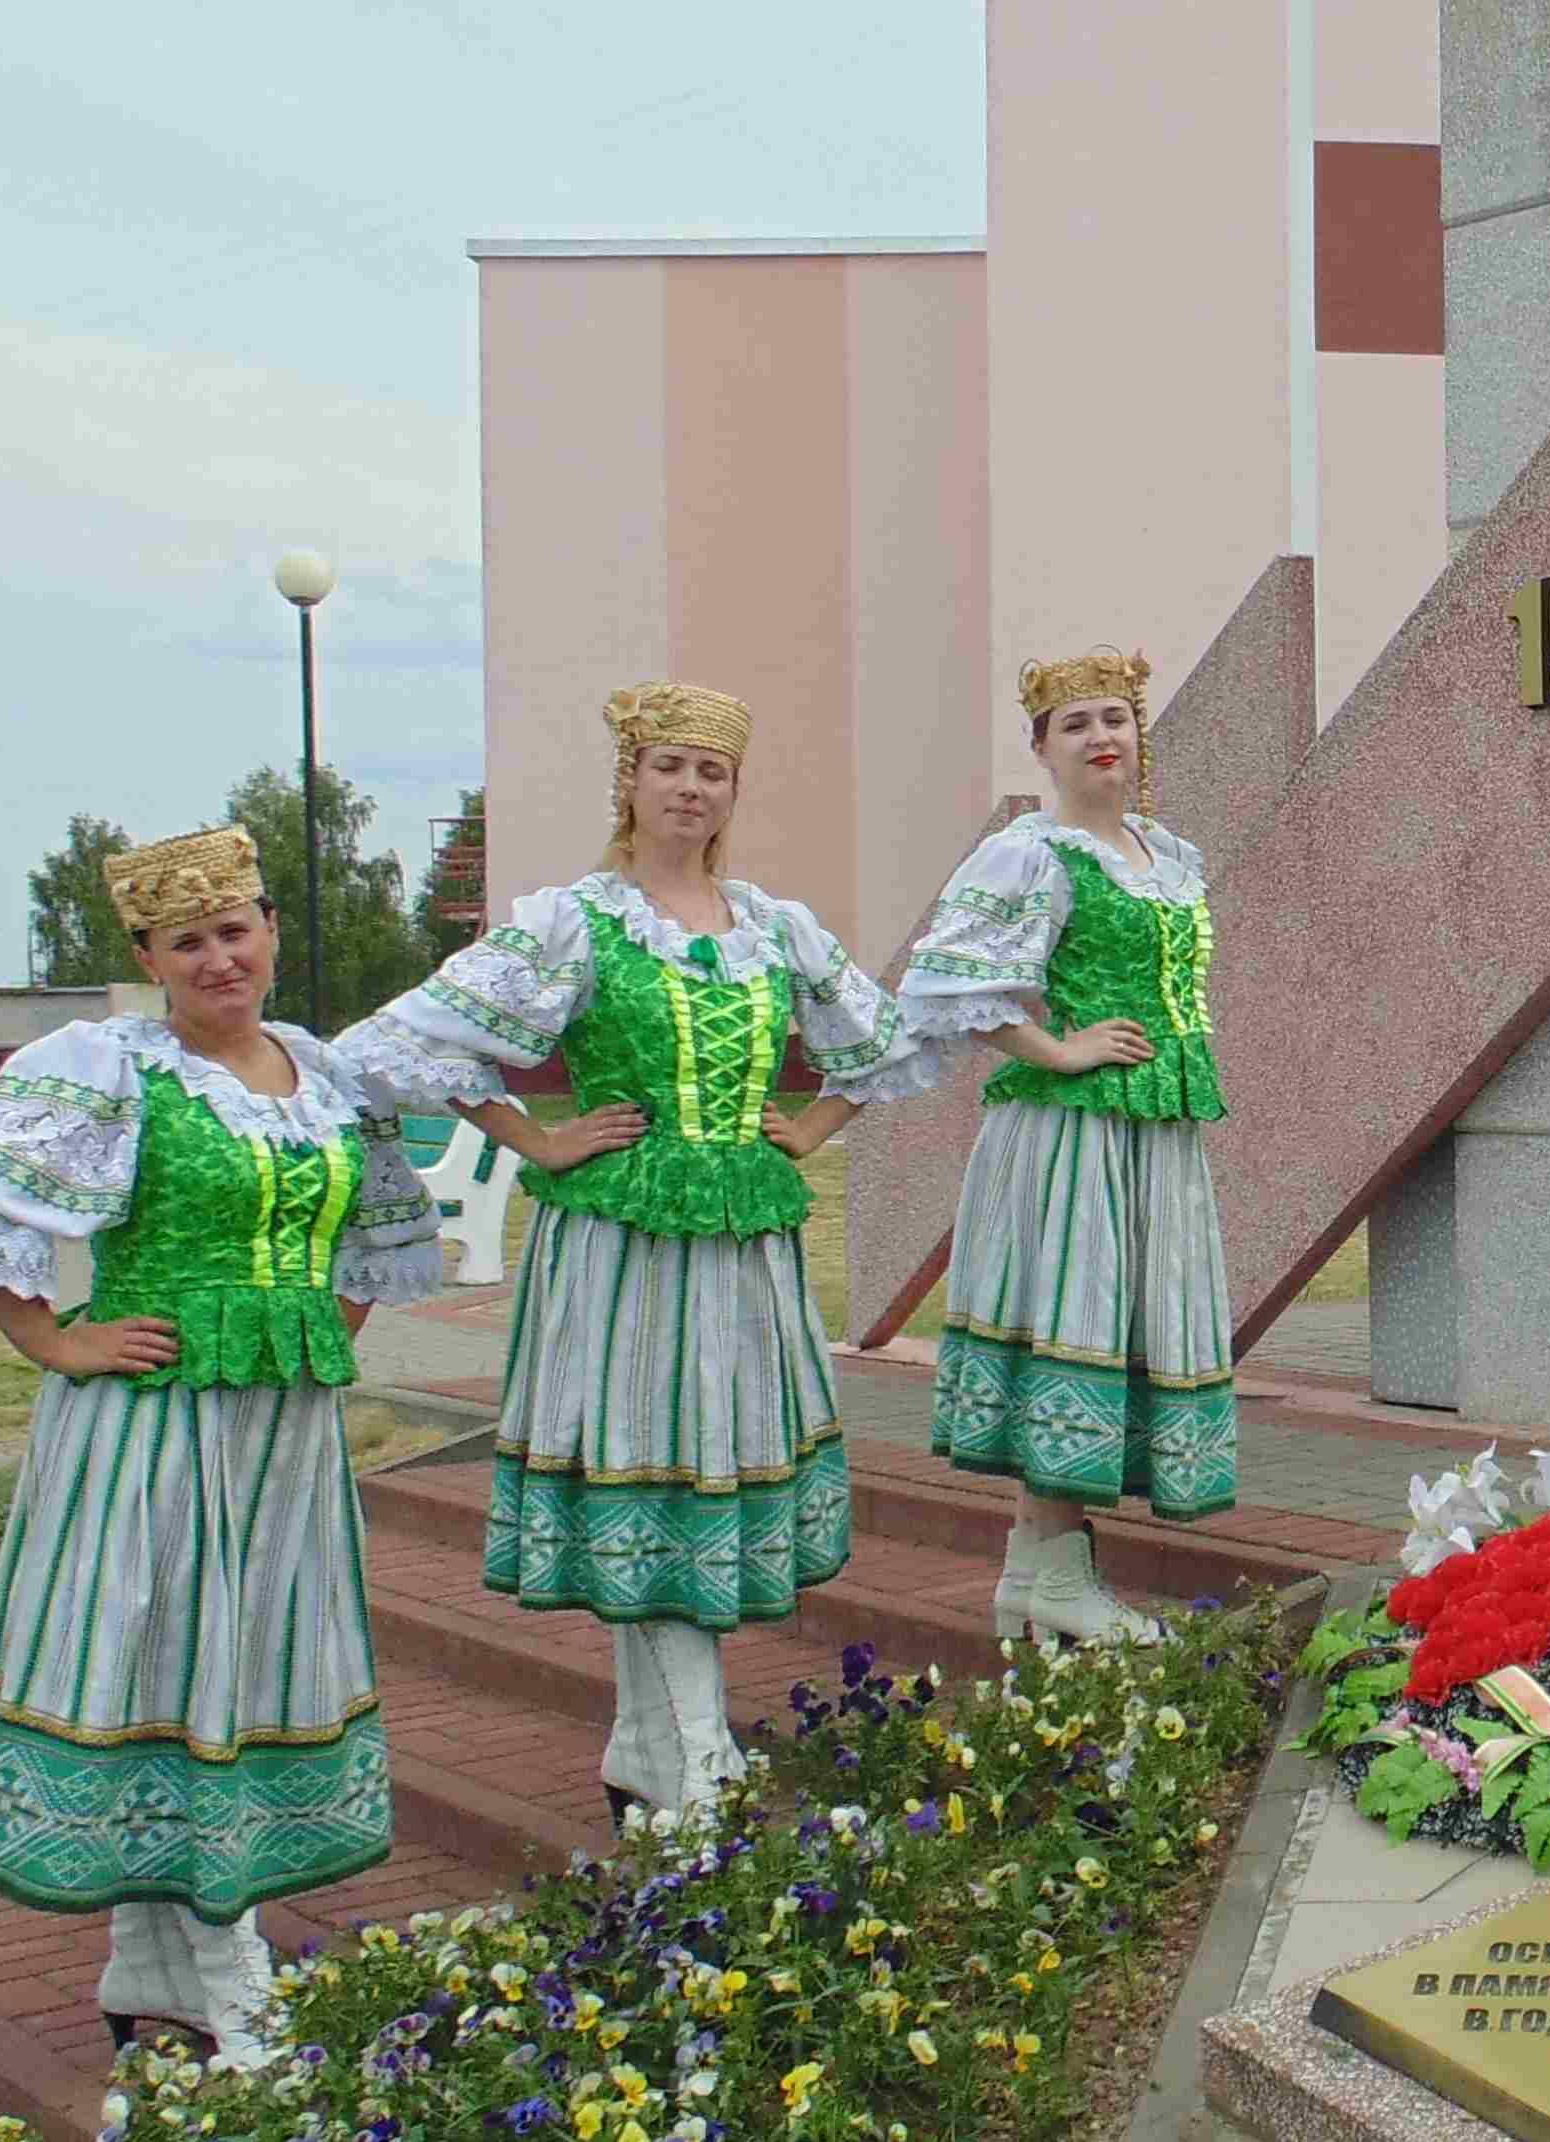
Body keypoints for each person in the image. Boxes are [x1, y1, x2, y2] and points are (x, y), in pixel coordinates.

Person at [0, 828, 446, 2068]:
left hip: (281, 1427)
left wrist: (313, 1331)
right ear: (148, 957)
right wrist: (55, 1340)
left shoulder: (325, 1075)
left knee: (249, 1652)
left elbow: (379, 1235)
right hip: (153, 1423)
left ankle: (153, 1957)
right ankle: (217, 1952)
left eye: (235, 931)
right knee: (170, 1658)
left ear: (271, 933)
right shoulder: (106, 1068)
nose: (218, 959)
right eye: (186, 941)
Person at [334, 682, 929, 1818]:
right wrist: (537, 1140)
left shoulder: (774, 928)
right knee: (649, 1464)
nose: (690, 789)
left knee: (700, 1465)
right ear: (632, 781)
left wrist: (810, 1127)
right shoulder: (574, 922)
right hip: (619, 1246)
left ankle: (644, 1745)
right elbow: (402, 1043)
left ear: (733, 791)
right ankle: (694, 1751)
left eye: (712, 771)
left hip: (743, 1248)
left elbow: (884, 1042)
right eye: (670, 766)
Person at [892, 651, 1238, 1649]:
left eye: (1115, 718)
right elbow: (945, 981)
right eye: (1076, 723)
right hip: (1073, 1133)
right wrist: (1057, 1047)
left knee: (1112, 1323)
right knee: (1075, 1319)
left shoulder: (1165, 854)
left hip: (1152, 1129)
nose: (1101, 737)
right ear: (1042, 747)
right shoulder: (1032, 853)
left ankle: (1037, 1574)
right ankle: (1056, 1580)